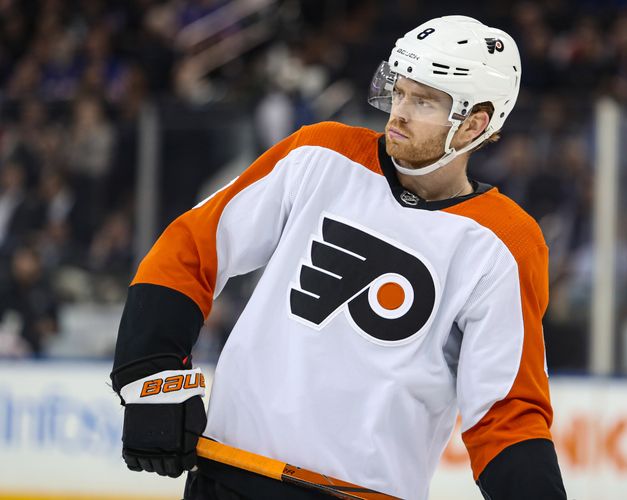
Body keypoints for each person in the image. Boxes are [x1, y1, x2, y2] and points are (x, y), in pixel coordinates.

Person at [111, 15, 566, 500]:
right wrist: (151, 370)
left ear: (475, 122)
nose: (399, 113)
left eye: (424, 101)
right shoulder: (319, 154)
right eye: (400, 92)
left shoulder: (504, 242)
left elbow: (505, 415)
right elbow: (193, 246)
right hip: (229, 479)